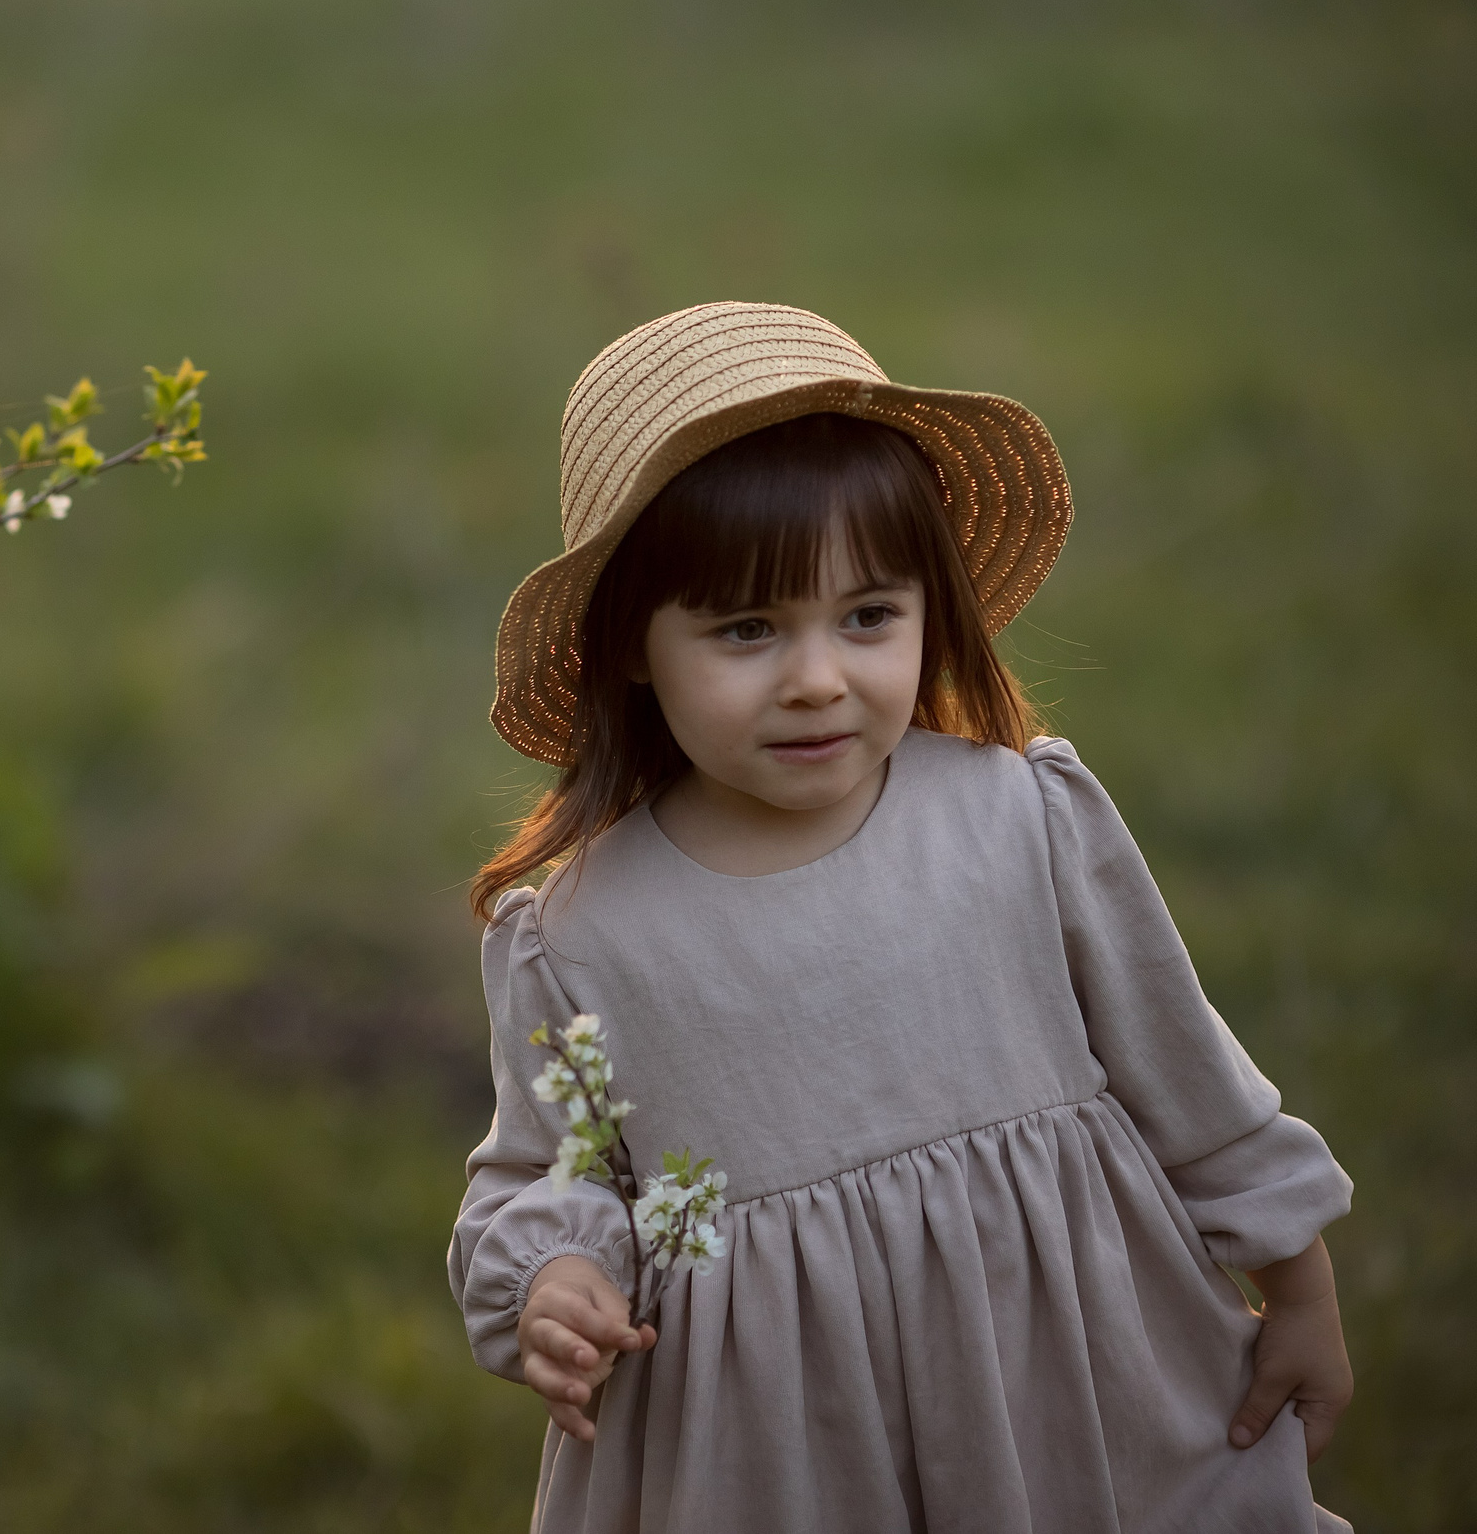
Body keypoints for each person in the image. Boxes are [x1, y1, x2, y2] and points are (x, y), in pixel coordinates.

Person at [449, 303, 1355, 1533]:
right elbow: (555, 1170)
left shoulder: (1015, 818)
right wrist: (556, 1273)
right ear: (629, 649)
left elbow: (1180, 1062)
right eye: (746, 629)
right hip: (782, 1443)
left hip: (1067, 1374)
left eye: (867, 616)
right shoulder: (579, 933)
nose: (817, 676)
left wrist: (1297, 1283)